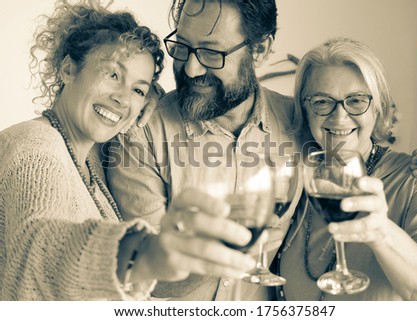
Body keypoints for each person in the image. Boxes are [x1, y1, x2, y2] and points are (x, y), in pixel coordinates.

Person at [0, 0, 257, 300]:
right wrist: (142, 253)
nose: (124, 99)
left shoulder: (90, 155)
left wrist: (151, 98)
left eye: (138, 89)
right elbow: (39, 246)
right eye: (112, 75)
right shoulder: (35, 148)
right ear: (69, 68)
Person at [106, 0, 301, 300]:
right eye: (182, 47)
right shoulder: (141, 134)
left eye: (211, 53)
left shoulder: (299, 123)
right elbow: (151, 276)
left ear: (260, 49)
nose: (192, 68)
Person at [276, 37, 417, 301]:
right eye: (322, 101)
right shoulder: (298, 182)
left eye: (356, 100)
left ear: (378, 108)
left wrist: (381, 231)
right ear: (304, 109)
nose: (339, 116)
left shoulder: (416, 179)